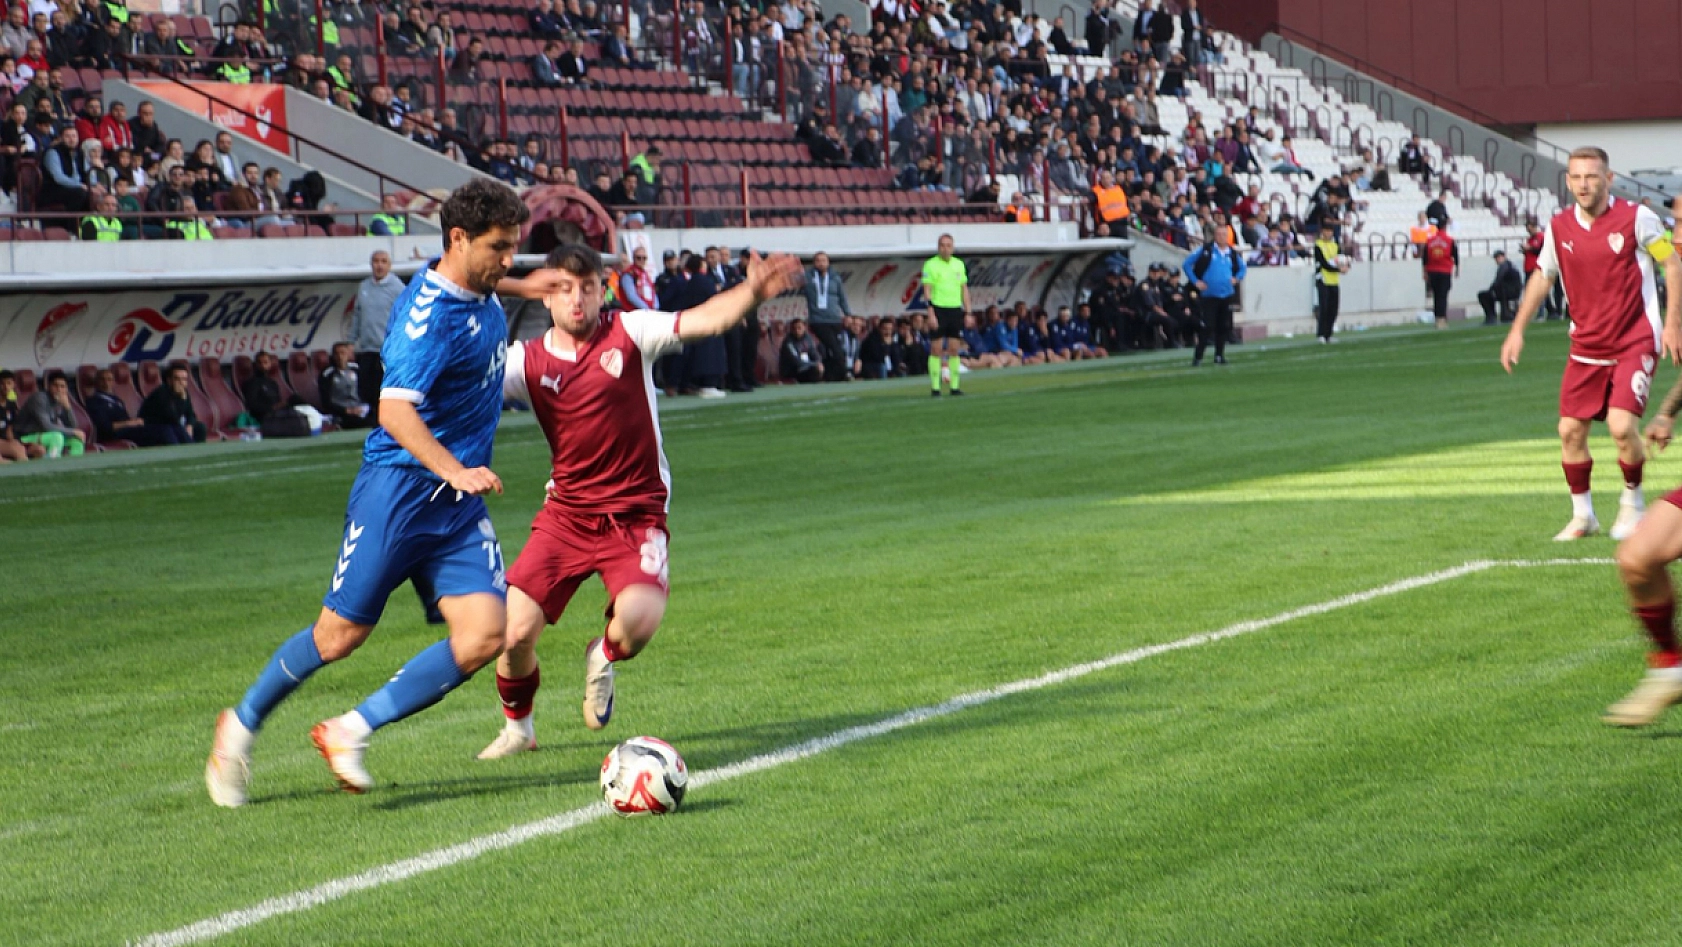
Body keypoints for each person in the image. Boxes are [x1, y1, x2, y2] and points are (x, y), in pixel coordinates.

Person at [204, 180, 563, 806]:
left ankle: (350, 729)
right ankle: (238, 727)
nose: (510, 259)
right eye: (500, 248)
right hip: (397, 493)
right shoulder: (426, 323)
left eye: (514, 247)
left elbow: (471, 279)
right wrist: (452, 469)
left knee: (485, 634)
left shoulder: (469, 281)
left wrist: (525, 285)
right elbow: (394, 411)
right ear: (458, 239)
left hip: (454, 507)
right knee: (338, 637)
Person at [476, 243, 801, 757]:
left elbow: (701, 321)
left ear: (602, 289)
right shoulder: (525, 362)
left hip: (635, 514)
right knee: (513, 633)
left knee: (639, 623)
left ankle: (601, 653)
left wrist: (751, 291)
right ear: (545, 297)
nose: (577, 300)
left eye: (587, 287)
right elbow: (464, 375)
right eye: (563, 288)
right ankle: (519, 729)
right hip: (566, 517)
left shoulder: (629, 332)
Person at [1501, 147, 1682, 555]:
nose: (1584, 184)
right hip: (1586, 345)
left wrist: (1672, 324)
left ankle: (1631, 504)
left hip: (1635, 338)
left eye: (1592, 177)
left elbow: (1671, 263)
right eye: (1577, 177)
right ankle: (1583, 516)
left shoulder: (1637, 219)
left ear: (1609, 178)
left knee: (1621, 427)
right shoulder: (1559, 227)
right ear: (1567, 181)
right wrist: (1517, 331)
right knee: (1569, 431)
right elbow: (1542, 278)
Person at [1184, 227, 1246, 366]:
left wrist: (1237, 278)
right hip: (1209, 295)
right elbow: (1187, 264)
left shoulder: (1232, 253)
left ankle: (1219, 355)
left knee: (1223, 326)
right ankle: (1198, 356)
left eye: (1224, 234)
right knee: (1207, 326)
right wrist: (1196, 281)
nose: (1221, 237)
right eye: (1218, 234)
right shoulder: (1206, 250)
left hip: (1226, 294)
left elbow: (1243, 268)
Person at [351, 249, 402, 416]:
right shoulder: (364, 287)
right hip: (366, 349)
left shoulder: (398, 288)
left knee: (385, 391)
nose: (379, 265)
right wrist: (351, 341)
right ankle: (374, 425)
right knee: (367, 391)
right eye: (376, 261)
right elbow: (357, 314)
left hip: (387, 350)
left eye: (383, 261)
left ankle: (387, 425)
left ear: (389, 265)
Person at [923, 233, 972, 396]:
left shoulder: (959, 264)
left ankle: (954, 387)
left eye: (948, 245)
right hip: (938, 309)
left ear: (953, 247)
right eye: (942, 245)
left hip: (954, 309)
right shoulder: (930, 265)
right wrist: (930, 312)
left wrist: (968, 312)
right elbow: (927, 290)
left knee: (954, 348)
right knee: (936, 349)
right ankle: (935, 388)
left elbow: (964, 289)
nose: (945, 248)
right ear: (938, 247)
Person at [86, 367, 182, 446]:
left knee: (172, 427)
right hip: (115, 434)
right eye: (102, 379)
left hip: (130, 429)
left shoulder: (117, 400)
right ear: (96, 382)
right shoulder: (94, 401)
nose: (106, 383)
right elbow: (106, 427)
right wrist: (130, 423)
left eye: (109, 379)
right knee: (164, 431)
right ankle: (177, 455)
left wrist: (134, 423)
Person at [801, 251, 851, 383]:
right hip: (818, 320)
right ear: (814, 263)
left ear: (828, 262)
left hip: (834, 319)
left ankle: (831, 376)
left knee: (829, 349)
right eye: (818, 260)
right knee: (835, 347)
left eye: (824, 260)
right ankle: (845, 372)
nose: (821, 263)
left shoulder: (835, 278)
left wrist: (847, 314)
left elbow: (842, 298)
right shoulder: (808, 277)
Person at [16, 371, 85, 457]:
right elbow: (46, 426)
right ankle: (52, 468)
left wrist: (68, 408)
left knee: (76, 440)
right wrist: (73, 432)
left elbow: (73, 426)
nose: (59, 389)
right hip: (25, 436)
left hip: (46, 435)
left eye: (62, 386)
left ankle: (74, 468)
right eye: (55, 386)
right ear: (48, 386)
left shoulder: (61, 401)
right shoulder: (39, 399)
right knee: (57, 437)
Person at [138, 363, 207, 443]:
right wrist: (183, 400)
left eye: (184, 379)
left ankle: (199, 451)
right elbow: (172, 417)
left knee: (200, 427)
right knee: (174, 431)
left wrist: (189, 425)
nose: (181, 382)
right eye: (177, 379)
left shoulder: (183, 392)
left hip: (173, 426)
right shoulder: (161, 393)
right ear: (169, 380)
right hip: (154, 428)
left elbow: (191, 414)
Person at [320, 342, 374, 429]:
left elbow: (366, 391)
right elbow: (326, 402)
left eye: (343, 353)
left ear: (348, 355)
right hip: (341, 411)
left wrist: (363, 407)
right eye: (337, 354)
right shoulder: (327, 374)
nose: (340, 357)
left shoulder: (356, 369)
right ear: (333, 356)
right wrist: (346, 410)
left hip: (360, 409)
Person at [1312, 222, 1348, 343]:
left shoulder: (1335, 245)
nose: (1328, 233)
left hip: (1334, 280)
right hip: (1323, 279)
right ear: (1322, 232)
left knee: (1333, 308)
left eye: (1330, 231)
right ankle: (1321, 334)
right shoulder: (1318, 245)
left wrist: (1346, 266)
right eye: (1326, 231)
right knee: (1324, 308)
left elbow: (1342, 258)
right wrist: (1338, 269)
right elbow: (1323, 263)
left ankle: (1329, 334)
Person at [1421, 218, 1457, 329]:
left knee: (1436, 295)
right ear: (1445, 227)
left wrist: (1424, 271)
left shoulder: (1430, 240)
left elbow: (1425, 258)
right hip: (1445, 270)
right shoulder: (1449, 240)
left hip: (1432, 271)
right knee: (1443, 295)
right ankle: (1442, 318)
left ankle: (1437, 318)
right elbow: (1455, 255)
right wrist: (1457, 269)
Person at [1478, 250, 1524, 326]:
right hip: (1512, 291)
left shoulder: (1504, 266)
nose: (1496, 260)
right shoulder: (1510, 265)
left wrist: (1491, 289)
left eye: (1498, 258)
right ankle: (1498, 315)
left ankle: (1491, 316)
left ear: (1503, 257)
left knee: (1483, 295)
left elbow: (1498, 280)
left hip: (1507, 292)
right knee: (1490, 294)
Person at [779, 316, 825, 383]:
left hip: (807, 367)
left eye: (799, 328)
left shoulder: (808, 338)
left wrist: (818, 362)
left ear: (804, 328)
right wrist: (814, 364)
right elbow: (796, 361)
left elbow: (814, 353)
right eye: (794, 329)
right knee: (814, 371)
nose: (797, 331)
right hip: (793, 370)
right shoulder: (788, 342)